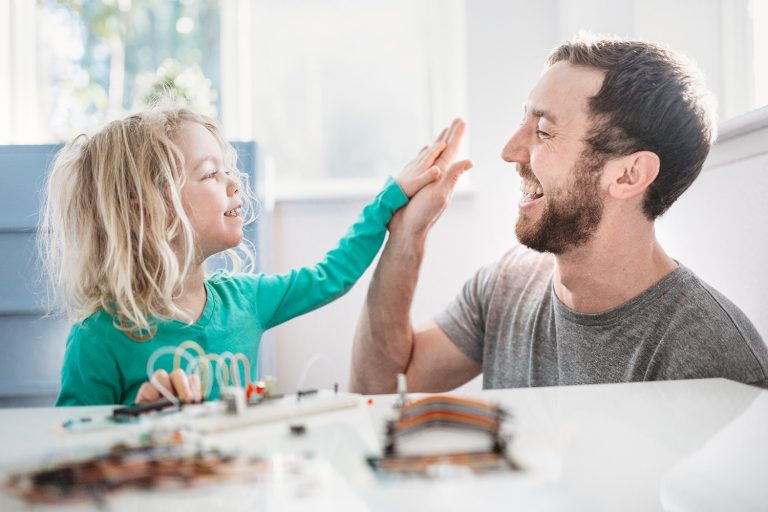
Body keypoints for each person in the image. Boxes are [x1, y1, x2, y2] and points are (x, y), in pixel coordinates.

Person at [349, 37, 768, 394]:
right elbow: (380, 390)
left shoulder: (713, 361)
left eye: (544, 131)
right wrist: (407, 233)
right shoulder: (509, 283)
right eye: (523, 122)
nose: (509, 151)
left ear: (628, 175)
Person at [45, 107, 472, 405]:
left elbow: (332, 275)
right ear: (146, 207)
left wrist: (391, 197)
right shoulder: (99, 335)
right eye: (211, 174)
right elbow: (72, 446)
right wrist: (132, 421)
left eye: (227, 169)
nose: (235, 183)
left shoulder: (245, 300)